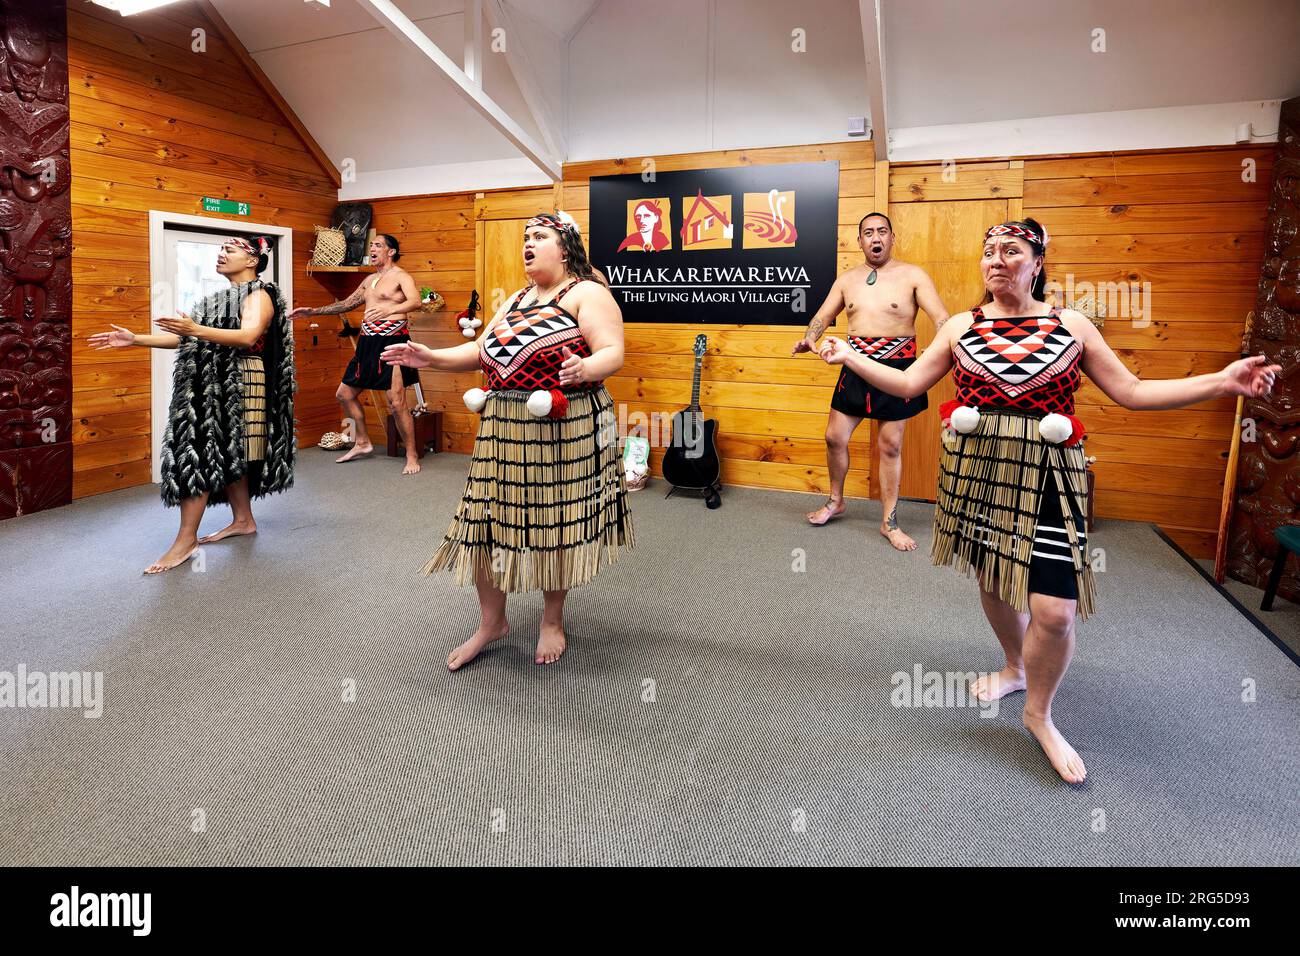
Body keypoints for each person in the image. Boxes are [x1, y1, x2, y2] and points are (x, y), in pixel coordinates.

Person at [816, 218, 1278, 783]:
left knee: (1055, 612)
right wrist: (850, 357)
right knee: (996, 584)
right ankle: (1014, 665)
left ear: (1037, 263)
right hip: (979, 475)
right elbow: (910, 384)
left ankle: (1039, 714)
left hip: (1053, 475)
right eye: (988, 251)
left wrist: (1221, 381)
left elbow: (1131, 391)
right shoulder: (961, 326)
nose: (996, 260)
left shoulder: (1071, 324)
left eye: (1011, 251)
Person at [382, 211, 634, 669]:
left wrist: (587, 368)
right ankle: (491, 622)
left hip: (563, 424)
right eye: (525, 237)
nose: (529, 244)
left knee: (553, 526)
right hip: (503, 427)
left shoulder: (588, 293)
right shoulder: (517, 298)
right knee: (483, 524)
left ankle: (552, 621)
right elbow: (480, 350)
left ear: (566, 246)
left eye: (540, 236)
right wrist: (430, 356)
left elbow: (613, 350)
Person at [89, 236, 295, 574]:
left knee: (200, 450)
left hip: (240, 382)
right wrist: (135, 339)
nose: (221, 254)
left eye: (230, 250)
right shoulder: (218, 299)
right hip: (212, 383)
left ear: (252, 261)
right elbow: (189, 337)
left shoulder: (259, 296)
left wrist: (195, 328)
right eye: (220, 250)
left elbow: (245, 336)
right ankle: (243, 519)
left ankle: (186, 540)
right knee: (230, 452)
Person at [793, 213, 949, 550]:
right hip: (855, 364)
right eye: (868, 233)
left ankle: (889, 522)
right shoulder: (847, 280)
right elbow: (822, 316)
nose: (875, 237)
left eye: (881, 231)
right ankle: (836, 501)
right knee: (834, 437)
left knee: (890, 446)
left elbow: (942, 320)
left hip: (897, 368)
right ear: (860, 240)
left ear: (893, 237)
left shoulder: (913, 276)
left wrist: (933, 357)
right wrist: (810, 337)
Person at [289, 234, 424, 475]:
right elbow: (347, 303)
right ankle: (363, 442)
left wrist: (389, 308)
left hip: (393, 342)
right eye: (371, 245)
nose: (372, 248)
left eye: (378, 245)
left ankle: (412, 455)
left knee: (396, 402)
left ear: (391, 252)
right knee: (344, 394)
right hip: (367, 344)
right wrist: (313, 311)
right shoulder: (369, 279)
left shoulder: (401, 276)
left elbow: (416, 302)